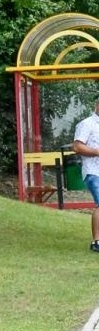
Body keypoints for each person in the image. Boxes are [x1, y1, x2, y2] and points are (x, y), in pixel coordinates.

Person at [70, 96, 99, 252]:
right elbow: (77, 146)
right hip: (94, 172)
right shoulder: (87, 124)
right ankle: (97, 241)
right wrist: (96, 152)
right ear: (97, 105)